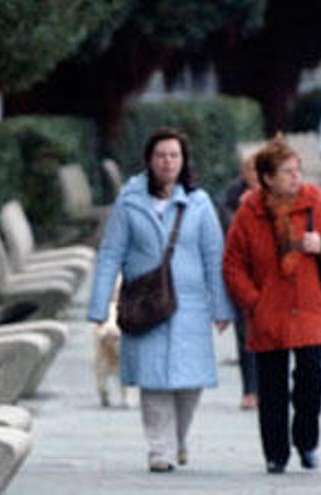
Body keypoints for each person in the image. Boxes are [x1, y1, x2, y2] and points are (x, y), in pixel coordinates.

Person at [88, 128, 234, 473]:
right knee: (153, 379)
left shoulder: (199, 203)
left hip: (190, 305)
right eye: (161, 155)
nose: (167, 161)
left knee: (189, 382)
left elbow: (215, 256)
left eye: (174, 155)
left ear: (183, 161)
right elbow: (111, 253)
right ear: (149, 160)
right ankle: (160, 449)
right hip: (145, 304)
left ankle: (179, 439)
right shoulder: (129, 200)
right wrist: (98, 306)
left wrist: (221, 307)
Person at [223, 134, 321, 474]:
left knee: (311, 379)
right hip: (268, 311)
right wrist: (253, 301)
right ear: (267, 178)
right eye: (287, 171)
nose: (296, 176)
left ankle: (307, 440)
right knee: (271, 388)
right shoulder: (249, 213)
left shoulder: (320, 206)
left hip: (311, 307)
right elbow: (233, 264)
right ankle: (276, 453)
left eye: (297, 170)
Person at [218, 153, 261, 410]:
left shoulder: (279, 197)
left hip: (268, 276)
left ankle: (267, 387)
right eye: (249, 170)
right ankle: (250, 389)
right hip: (241, 272)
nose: (254, 175)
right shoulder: (231, 197)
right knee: (245, 331)